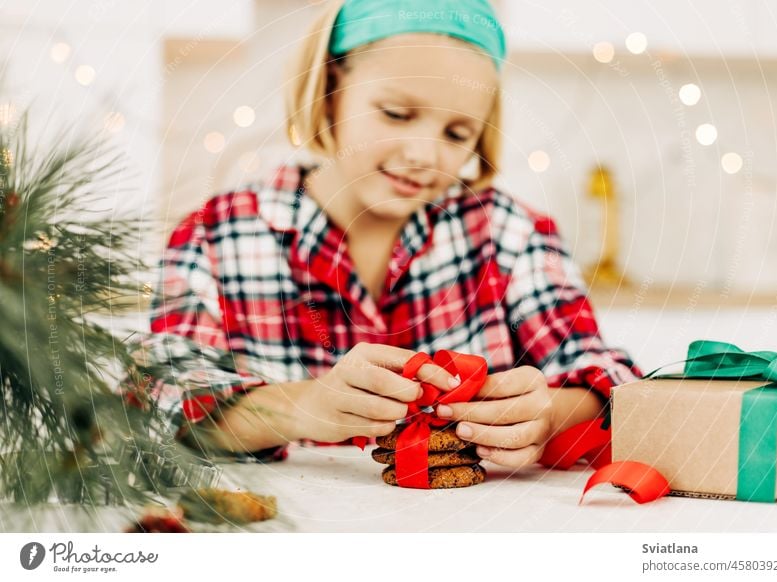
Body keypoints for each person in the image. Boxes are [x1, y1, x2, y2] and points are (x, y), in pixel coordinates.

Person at [136, 0, 640, 470]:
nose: (424, 153)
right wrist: (302, 407)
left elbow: (613, 381)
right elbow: (159, 403)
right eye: (397, 114)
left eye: (457, 133)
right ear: (331, 90)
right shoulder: (215, 237)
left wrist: (549, 412)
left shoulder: (511, 235)